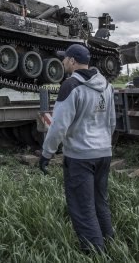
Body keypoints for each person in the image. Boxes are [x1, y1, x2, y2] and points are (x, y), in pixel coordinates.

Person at [38, 44, 116, 253]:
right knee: (100, 201)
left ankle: (95, 252)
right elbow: (112, 122)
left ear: (72, 61)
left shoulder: (70, 86)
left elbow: (58, 127)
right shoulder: (107, 86)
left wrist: (46, 154)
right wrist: (103, 144)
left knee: (83, 207)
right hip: (104, 153)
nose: (63, 62)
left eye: (65, 59)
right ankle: (110, 242)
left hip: (80, 157)